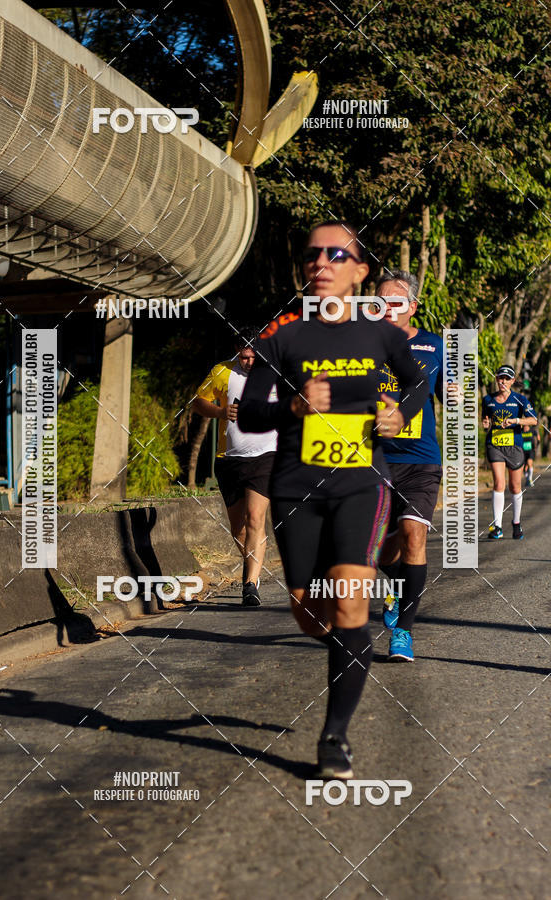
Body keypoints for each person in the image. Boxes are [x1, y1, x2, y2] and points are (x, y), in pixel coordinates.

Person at [238, 220, 429, 777]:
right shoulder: (283, 336)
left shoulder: (382, 336)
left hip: (360, 485)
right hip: (296, 487)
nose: (320, 263)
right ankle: (345, 640)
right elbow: (250, 414)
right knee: (310, 615)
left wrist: (401, 414)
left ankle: (334, 737)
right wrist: (293, 407)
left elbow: (418, 382)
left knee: (349, 605)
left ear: (360, 271)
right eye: (312, 255)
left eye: (335, 255)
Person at [374, 270, 444, 663]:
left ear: (412, 307)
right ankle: (398, 590)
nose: (386, 307)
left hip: (421, 460)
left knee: (413, 535)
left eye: (395, 301)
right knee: (383, 554)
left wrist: (455, 393)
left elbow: (448, 394)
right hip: (374, 460)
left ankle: (403, 632)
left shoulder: (434, 346)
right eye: (380, 301)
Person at [193, 328, 277, 606]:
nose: (249, 362)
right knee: (238, 529)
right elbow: (198, 402)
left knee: (255, 518)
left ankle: (250, 585)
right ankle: (255, 560)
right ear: (237, 354)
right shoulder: (222, 372)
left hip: (266, 457)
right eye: (244, 357)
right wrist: (219, 411)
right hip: (228, 459)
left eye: (254, 357)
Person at [482, 365, 537, 540]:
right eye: (500, 378)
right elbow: (486, 421)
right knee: (499, 483)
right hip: (495, 445)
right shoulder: (487, 399)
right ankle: (497, 526)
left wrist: (516, 420)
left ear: (512, 381)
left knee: (515, 486)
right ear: (496, 379)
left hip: (515, 446)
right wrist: (485, 425)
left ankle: (516, 523)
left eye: (507, 379)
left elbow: (534, 420)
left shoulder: (520, 399)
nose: (503, 381)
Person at [521, 421, 539, 487]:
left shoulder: (532, 430)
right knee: (524, 467)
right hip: (522, 451)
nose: (525, 425)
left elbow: (538, 437)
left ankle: (530, 479)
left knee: (529, 463)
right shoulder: (521, 430)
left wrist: (537, 445)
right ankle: (527, 478)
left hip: (530, 450)